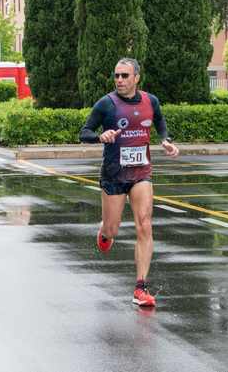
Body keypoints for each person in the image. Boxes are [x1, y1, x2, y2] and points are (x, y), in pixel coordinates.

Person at [79, 58, 179, 307]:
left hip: (141, 173)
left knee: (145, 225)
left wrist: (165, 140)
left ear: (136, 78)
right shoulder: (106, 104)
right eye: (116, 76)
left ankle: (140, 287)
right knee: (113, 229)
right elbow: (84, 132)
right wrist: (100, 136)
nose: (120, 80)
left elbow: (159, 121)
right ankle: (104, 230)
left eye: (125, 76)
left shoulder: (150, 101)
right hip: (114, 174)